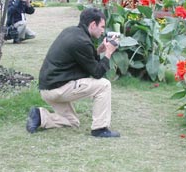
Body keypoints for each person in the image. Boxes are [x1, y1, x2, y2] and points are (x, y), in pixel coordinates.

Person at [26, 8, 120, 138]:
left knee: (72, 122)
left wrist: (99, 51)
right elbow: (97, 73)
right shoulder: (82, 41)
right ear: (93, 25)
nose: (103, 30)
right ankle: (100, 128)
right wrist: (108, 53)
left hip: (47, 88)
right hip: (58, 89)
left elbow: (84, 60)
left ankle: (40, 116)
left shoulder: (71, 32)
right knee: (104, 85)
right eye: (102, 26)